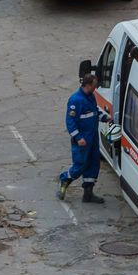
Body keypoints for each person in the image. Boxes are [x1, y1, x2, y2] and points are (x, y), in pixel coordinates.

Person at [57, 72, 109, 204]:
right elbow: (70, 121)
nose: (96, 88)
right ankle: (65, 179)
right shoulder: (76, 100)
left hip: (92, 137)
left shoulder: (91, 97)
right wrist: (78, 137)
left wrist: (104, 117)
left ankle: (88, 194)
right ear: (87, 85)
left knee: (93, 164)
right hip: (82, 140)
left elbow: (94, 111)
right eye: (94, 85)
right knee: (80, 165)